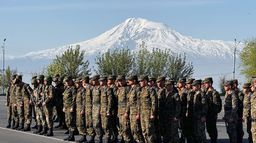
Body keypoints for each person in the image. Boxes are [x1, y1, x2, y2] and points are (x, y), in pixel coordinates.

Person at [203, 77, 222, 143]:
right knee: (209, 130)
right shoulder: (206, 92)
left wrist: (213, 114)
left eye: (206, 83)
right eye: (204, 83)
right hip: (208, 114)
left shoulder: (214, 93)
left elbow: (216, 105)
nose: (205, 84)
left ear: (210, 83)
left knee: (212, 130)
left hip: (212, 115)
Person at [139, 75, 157, 143]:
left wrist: (152, 113)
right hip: (142, 113)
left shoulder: (151, 89)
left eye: (141, 81)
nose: (140, 82)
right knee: (144, 131)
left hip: (148, 113)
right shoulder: (142, 90)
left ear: (145, 81)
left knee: (149, 130)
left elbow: (154, 102)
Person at [126, 75, 144, 143]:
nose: (128, 81)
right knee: (133, 129)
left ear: (134, 81)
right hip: (131, 112)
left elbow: (139, 102)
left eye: (130, 80)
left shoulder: (137, 89)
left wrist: (138, 113)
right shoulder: (131, 89)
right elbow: (129, 101)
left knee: (137, 129)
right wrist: (127, 112)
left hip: (135, 112)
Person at [116, 75, 132, 142]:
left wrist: (127, 112)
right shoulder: (119, 89)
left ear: (124, 80)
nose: (120, 82)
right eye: (118, 81)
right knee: (121, 127)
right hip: (120, 111)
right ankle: (123, 139)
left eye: (121, 80)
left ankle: (127, 140)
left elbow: (129, 101)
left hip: (125, 110)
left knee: (126, 127)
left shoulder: (128, 88)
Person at [63, 76, 77, 141]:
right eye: (66, 81)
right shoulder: (66, 88)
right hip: (66, 107)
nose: (67, 82)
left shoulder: (73, 88)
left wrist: (72, 107)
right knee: (67, 121)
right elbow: (65, 99)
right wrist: (63, 106)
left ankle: (72, 136)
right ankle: (70, 135)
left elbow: (74, 98)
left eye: (68, 81)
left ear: (71, 81)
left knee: (71, 121)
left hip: (70, 107)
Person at [75, 78, 87, 143]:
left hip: (81, 108)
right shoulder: (78, 90)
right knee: (79, 122)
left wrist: (83, 109)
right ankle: (82, 135)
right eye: (76, 83)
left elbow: (84, 100)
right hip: (78, 108)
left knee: (82, 122)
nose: (76, 84)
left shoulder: (82, 90)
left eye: (77, 83)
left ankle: (84, 136)